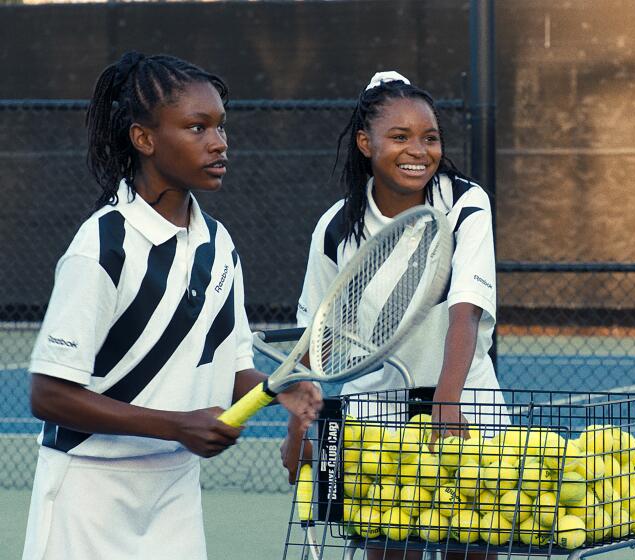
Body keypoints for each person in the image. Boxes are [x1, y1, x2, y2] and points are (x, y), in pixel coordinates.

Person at [22, 52, 322, 560]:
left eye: (221, 127)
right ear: (145, 139)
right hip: (87, 492)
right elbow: (48, 395)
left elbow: (231, 365)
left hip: (175, 492)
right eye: (197, 127)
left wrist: (285, 393)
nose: (219, 143)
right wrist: (176, 425)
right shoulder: (102, 245)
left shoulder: (219, 244)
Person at [282, 71, 506, 484]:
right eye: (400, 137)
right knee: (386, 544)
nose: (418, 151)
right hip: (375, 413)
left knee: (473, 540)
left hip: (465, 399)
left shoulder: (465, 203)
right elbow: (317, 339)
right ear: (366, 144)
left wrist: (447, 400)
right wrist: (296, 430)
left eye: (430, 138)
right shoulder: (334, 227)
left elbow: (467, 312)